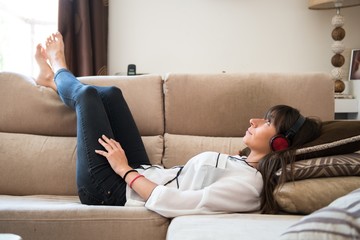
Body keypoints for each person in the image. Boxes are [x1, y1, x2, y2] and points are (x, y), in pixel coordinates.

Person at [34, 32, 322, 217]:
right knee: (111, 95)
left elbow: (173, 203)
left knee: (86, 95)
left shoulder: (248, 186)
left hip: (110, 191)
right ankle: (52, 82)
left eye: (267, 122)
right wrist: (134, 169)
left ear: (280, 143)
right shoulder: (243, 165)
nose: (254, 121)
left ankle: (58, 68)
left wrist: (123, 170)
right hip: (146, 172)